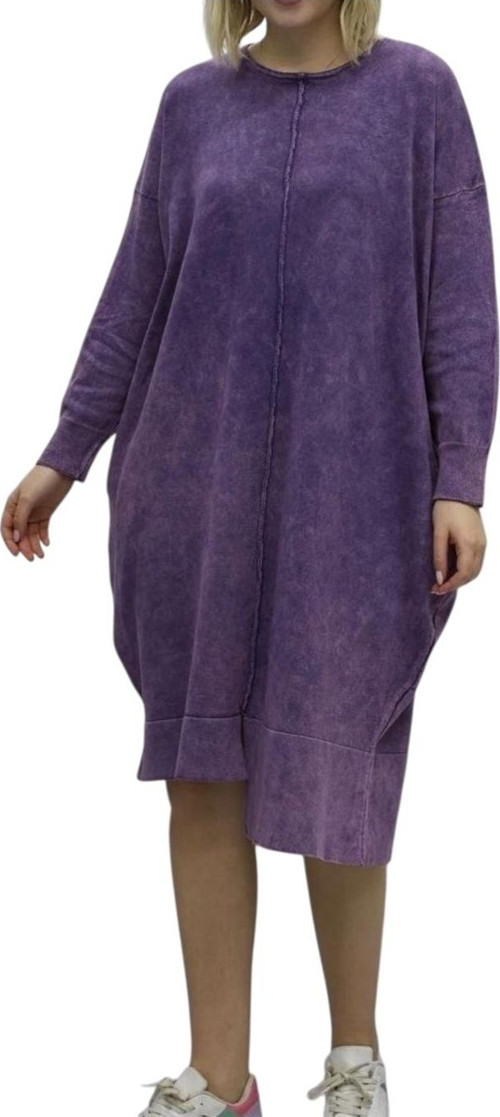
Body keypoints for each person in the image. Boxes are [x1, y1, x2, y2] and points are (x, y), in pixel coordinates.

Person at [2, 1, 498, 1114]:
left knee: (339, 766)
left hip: (356, 495)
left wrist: (458, 477)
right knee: (202, 772)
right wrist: (64, 453)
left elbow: (461, 299)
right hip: (194, 482)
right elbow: (134, 293)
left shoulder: (417, 95)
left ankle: (355, 1062)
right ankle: (217, 1078)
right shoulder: (192, 107)